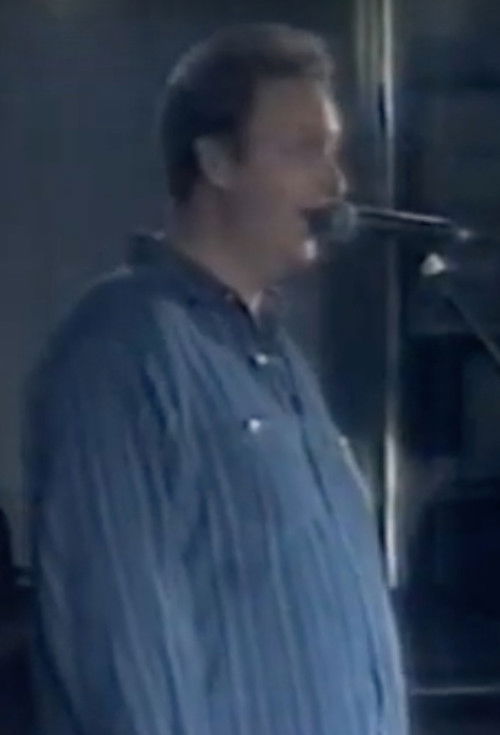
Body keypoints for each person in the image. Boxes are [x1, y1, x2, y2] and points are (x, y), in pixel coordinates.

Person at [26, 23, 407, 735]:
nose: (335, 186)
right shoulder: (121, 352)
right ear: (215, 161)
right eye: (304, 151)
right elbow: (122, 650)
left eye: (332, 153)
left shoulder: (281, 364)